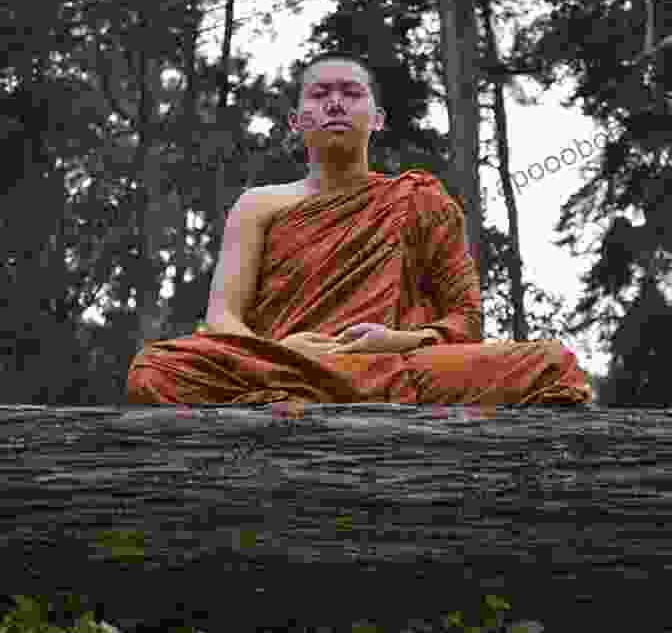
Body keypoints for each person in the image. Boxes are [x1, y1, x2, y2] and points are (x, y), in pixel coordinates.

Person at [127, 54, 593, 418]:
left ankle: (307, 398)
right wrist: (281, 351)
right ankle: (312, 390)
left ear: (378, 118)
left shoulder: (420, 199)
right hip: (288, 364)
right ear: (295, 120)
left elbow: (464, 320)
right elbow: (224, 317)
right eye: (319, 94)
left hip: (392, 362)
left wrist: (391, 340)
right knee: (155, 369)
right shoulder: (259, 204)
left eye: (351, 93)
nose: (334, 103)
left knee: (552, 364)